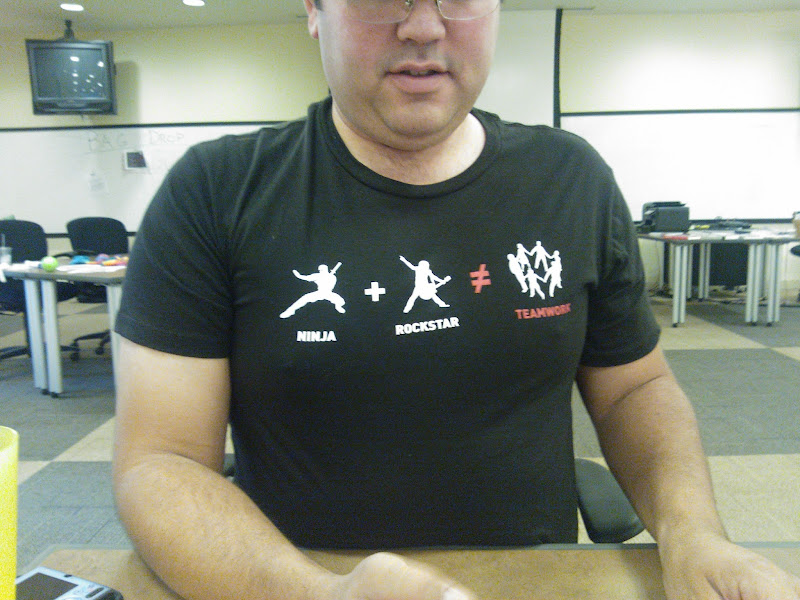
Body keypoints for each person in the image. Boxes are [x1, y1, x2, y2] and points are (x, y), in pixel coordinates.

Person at [111, 0, 800, 599]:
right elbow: (160, 461)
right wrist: (325, 595)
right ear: (315, 9)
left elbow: (633, 389)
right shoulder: (216, 191)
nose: (423, 26)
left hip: (535, 580)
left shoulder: (570, 178)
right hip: (290, 580)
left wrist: (694, 534)